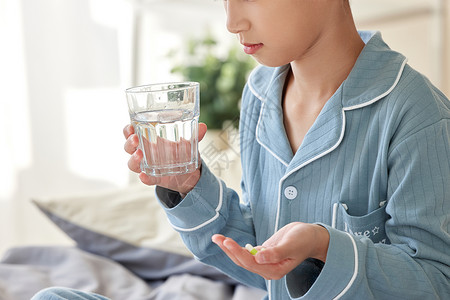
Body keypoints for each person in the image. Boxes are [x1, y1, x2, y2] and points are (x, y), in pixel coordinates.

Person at [33, 0, 449, 299]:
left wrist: (324, 247)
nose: (232, 20)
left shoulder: (417, 115)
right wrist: (188, 187)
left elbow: (436, 282)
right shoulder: (261, 94)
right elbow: (258, 261)